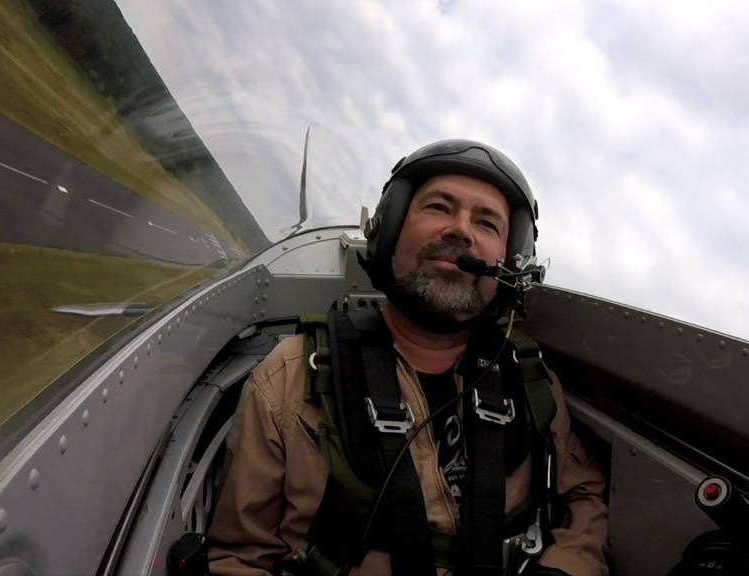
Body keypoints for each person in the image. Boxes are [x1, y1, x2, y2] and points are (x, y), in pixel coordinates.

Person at [207, 140, 609, 575]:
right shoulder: (290, 375)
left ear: (509, 261)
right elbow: (239, 558)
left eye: (486, 223)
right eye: (438, 207)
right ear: (391, 230)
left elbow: (582, 501)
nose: (461, 231)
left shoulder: (530, 380)